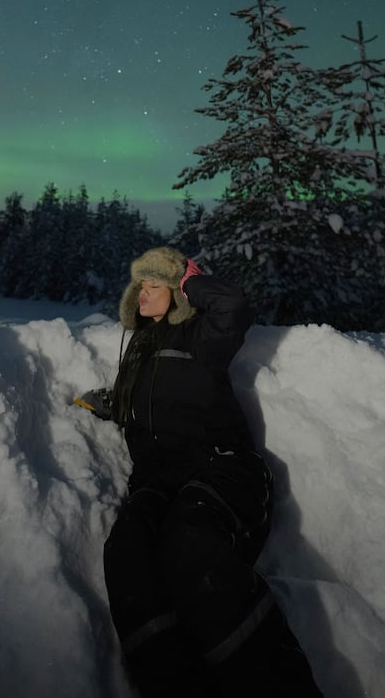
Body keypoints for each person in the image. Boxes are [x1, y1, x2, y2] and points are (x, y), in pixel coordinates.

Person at [76, 246, 323, 698]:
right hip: (156, 479)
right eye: (141, 285)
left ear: (177, 292)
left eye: (155, 284)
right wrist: (110, 404)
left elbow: (234, 305)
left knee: (191, 543)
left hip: (221, 465)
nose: (143, 292)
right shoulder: (139, 347)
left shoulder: (200, 336)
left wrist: (189, 278)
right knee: (128, 549)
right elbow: (148, 398)